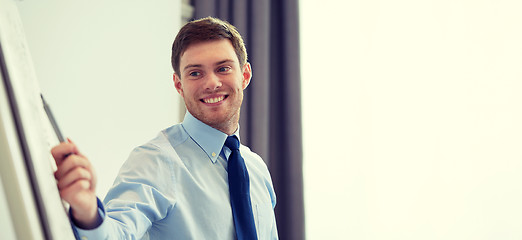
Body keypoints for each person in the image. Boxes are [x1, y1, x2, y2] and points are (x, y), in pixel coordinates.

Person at [51, 17, 278, 239]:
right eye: (195, 73)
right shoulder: (155, 160)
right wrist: (88, 211)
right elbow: (116, 233)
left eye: (223, 68)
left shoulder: (257, 169)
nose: (211, 83)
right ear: (179, 85)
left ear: (245, 75)